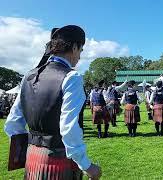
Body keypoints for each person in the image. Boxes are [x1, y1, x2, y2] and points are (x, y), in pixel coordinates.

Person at [4, 25, 101, 179]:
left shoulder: (28, 76)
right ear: (75, 47)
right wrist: (86, 165)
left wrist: (31, 149)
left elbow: (12, 123)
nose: (80, 57)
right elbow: (68, 130)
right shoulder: (72, 77)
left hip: (32, 158)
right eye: (81, 51)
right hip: (59, 160)